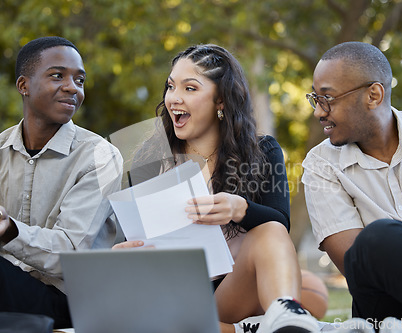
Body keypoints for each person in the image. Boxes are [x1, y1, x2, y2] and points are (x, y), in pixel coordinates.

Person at [114, 44, 320, 333]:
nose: (174, 98)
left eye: (190, 88)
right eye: (171, 86)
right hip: (174, 298)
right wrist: (123, 253)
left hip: (235, 291)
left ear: (220, 100)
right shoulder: (149, 160)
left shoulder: (261, 151)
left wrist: (240, 208)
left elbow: (280, 225)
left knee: (271, 229)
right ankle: (249, 330)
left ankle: (284, 320)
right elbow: (132, 240)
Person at [302, 41, 402, 328]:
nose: (319, 111)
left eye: (327, 98)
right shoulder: (320, 164)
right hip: (389, 301)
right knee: (376, 241)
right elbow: (356, 264)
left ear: (374, 95)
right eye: (315, 99)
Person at [0, 36, 123, 328]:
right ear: (23, 85)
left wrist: (10, 231)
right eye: (57, 75)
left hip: (69, 301)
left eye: (80, 80)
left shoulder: (100, 156)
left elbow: (71, 254)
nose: (72, 87)